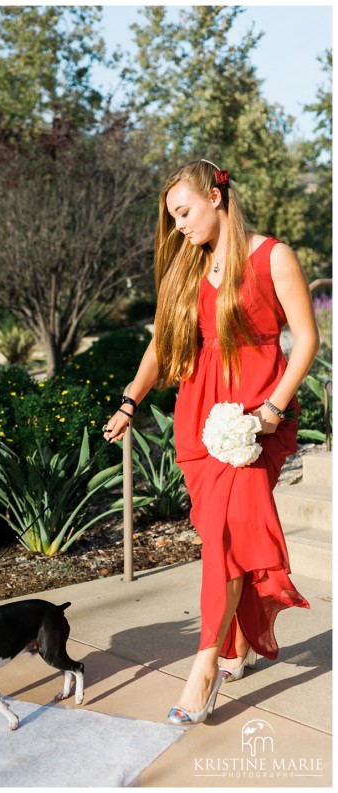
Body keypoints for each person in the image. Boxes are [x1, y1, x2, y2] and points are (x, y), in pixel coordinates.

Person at [103, 158, 320, 725]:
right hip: (199, 420)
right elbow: (161, 344)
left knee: (225, 536)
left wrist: (272, 408)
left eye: (184, 212)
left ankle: (204, 668)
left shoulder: (273, 256)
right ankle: (238, 642)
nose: (178, 226)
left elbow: (307, 339)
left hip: (252, 423)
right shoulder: (186, 267)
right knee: (224, 537)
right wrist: (131, 399)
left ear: (216, 198)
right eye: (172, 217)